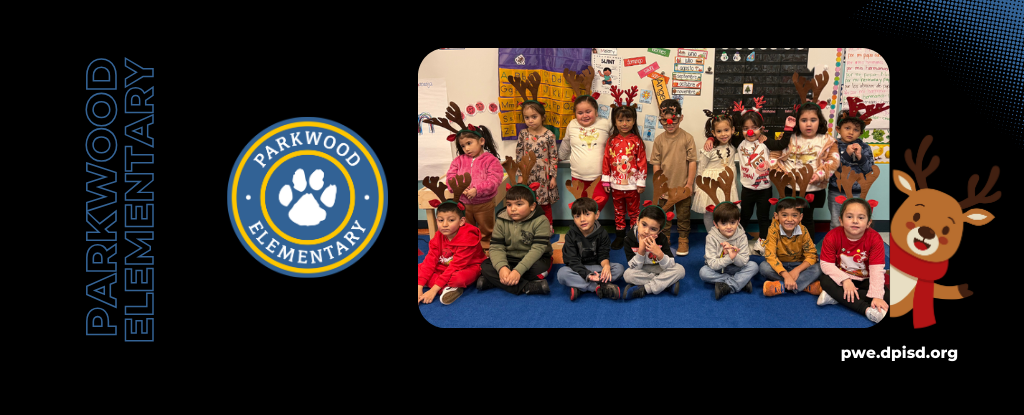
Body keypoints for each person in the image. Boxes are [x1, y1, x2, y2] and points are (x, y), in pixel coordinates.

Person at [817, 198, 889, 323]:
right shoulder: (832, 236)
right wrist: (845, 280)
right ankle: (866, 310)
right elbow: (826, 264)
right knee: (824, 280)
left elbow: (877, 269)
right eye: (849, 217)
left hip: (865, 279)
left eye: (861, 218)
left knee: (888, 296)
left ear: (868, 223)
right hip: (842, 279)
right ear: (840, 220)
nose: (855, 221)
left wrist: (877, 296)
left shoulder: (874, 238)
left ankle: (836, 297)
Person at [771, 102, 840, 232]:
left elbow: (833, 160)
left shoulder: (827, 140)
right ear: (797, 122)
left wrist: (820, 175)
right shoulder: (788, 138)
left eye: (813, 120)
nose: (808, 124)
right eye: (804, 120)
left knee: (807, 219)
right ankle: (785, 246)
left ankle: (809, 247)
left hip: (812, 188)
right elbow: (774, 155)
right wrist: (780, 174)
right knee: (786, 218)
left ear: (819, 121)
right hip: (789, 188)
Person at [478, 182, 553, 295]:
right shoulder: (501, 220)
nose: (513, 209)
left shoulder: (541, 221)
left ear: (532, 206)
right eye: (509, 205)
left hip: (535, 260)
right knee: (485, 267)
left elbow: (537, 250)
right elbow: (496, 247)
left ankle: (494, 282)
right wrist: (502, 267)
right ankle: (526, 287)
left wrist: (518, 271)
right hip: (509, 259)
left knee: (538, 271)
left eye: (519, 204)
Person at [417, 196, 486, 305]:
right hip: (444, 265)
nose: (444, 224)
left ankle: (444, 286)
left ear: (461, 221)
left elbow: (456, 266)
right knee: (421, 267)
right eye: (441, 220)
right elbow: (430, 260)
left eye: (451, 220)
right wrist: (419, 287)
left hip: (467, 266)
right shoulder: (439, 235)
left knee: (458, 278)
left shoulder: (468, 238)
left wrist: (433, 290)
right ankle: (447, 288)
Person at [649, 99, 697, 255]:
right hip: (665, 188)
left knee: (683, 216)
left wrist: (689, 184)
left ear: (680, 118)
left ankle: (683, 239)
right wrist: (659, 185)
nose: (669, 124)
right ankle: (665, 238)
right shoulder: (659, 140)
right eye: (665, 121)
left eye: (673, 120)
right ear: (661, 120)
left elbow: (692, 162)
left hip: (682, 187)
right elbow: (656, 163)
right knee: (664, 216)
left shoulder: (687, 138)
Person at [444, 124, 504, 250]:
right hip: (463, 204)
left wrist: (477, 190)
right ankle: (469, 250)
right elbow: (450, 177)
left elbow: (494, 180)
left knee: (486, 230)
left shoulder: (491, 160)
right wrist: (458, 188)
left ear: (481, 141)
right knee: (466, 229)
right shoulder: (458, 160)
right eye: (463, 146)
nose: (466, 148)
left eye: (469, 143)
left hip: (484, 204)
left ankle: (487, 250)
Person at [556, 197, 624, 301]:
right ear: (573, 219)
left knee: (619, 269)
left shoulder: (603, 233)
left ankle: (580, 287)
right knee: (562, 274)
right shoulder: (570, 235)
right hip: (579, 268)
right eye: (577, 216)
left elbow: (603, 254)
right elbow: (572, 261)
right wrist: (588, 275)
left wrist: (606, 266)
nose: (582, 219)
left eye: (587, 214)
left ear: (597, 215)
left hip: (597, 267)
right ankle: (598, 287)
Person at [601, 98, 646, 250]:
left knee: (634, 212)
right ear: (615, 121)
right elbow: (607, 160)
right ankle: (620, 236)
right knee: (618, 212)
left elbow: (642, 162)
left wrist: (641, 182)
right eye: (621, 120)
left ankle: (634, 236)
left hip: (633, 186)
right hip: (616, 185)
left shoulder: (637, 141)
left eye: (628, 119)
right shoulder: (611, 140)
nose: (624, 123)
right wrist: (606, 181)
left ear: (634, 121)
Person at [558, 95, 614, 211]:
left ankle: (592, 225)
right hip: (578, 176)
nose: (584, 115)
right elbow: (566, 143)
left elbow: (617, 141)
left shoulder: (606, 123)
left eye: (588, 111)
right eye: (580, 113)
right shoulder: (572, 125)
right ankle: (585, 227)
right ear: (575, 114)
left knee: (598, 203)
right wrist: (559, 157)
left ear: (596, 112)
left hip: (600, 176)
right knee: (582, 206)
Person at [621, 201, 686, 300]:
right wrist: (641, 251)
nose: (646, 231)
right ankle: (666, 284)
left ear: (659, 231)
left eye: (653, 229)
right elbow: (634, 267)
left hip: (659, 268)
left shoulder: (662, 239)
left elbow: (671, 265)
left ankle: (645, 289)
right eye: (644, 225)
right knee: (627, 275)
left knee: (680, 270)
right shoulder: (628, 239)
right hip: (642, 269)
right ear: (637, 221)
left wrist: (659, 253)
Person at [759, 197, 823, 297]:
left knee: (819, 267)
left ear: (800, 217)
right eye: (784, 215)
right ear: (776, 216)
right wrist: (786, 275)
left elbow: (812, 255)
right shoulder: (773, 230)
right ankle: (804, 285)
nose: (789, 219)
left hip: (798, 265)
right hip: (780, 266)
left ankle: (782, 286)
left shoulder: (803, 230)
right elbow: (770, 255)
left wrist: (797, 270)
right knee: (764, 267)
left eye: (794, 215)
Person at [827, 103, 876, 230]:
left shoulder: (865, 148)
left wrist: (861, 157)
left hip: (857, 193)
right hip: (836, 191)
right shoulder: (833, 146)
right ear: (838, 129)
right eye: (847, 128)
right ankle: (836, 247)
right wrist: (846, 155)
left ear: (860, 132)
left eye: (856, 129)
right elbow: (831, 170)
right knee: (836, 222)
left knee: (856, 223)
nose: (851, 132)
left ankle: (854, 246)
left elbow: (869, 171)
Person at [692, 110, 740, 233]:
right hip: (710, 183)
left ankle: (725, 234)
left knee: (726, 211)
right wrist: (698, 188)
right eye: (719, 131)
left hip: (727, 184)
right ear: (713, 133)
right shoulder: (709, 148)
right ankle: (711, 235)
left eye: (726, 130)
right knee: (710, 212)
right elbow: (701, 169)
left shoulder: (733, 145)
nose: (723, 134)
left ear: (732, 130)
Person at [698, 202, 758, 300]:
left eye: (732, 222)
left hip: (736, 268)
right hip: (718, 269)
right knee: (703, 272)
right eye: (724, 223)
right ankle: (741, 282)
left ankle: (727, 286)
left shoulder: (742, 236)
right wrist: (729, 258)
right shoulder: (711, 238)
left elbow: (743, 262)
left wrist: (734, 256)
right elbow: (712, 264)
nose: (729, 227)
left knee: (754, 266)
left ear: (738, 221)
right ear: (716, 224)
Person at [516, 101, 560, 234]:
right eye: (527, 117)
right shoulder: (523, 134)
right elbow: (519, 155)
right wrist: (520, 175)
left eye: (534, 116)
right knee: (528, 202)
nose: (530, 120)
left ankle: (548, 226)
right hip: (528, 175)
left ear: (543, 117)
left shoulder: (549, 135)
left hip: (544, 176)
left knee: (544, 203)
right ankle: (530, 226)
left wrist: (553, 177)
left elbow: (553, 157)